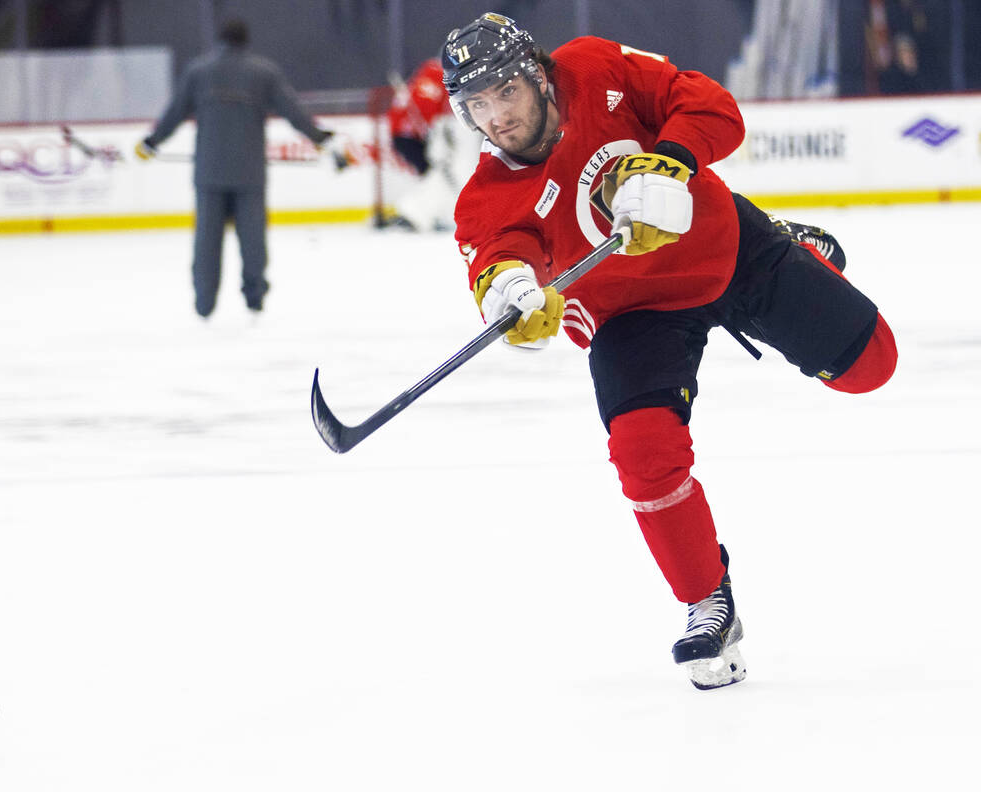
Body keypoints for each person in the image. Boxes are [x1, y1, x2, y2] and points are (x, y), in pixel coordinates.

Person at [441, 13, 897, 689]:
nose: (496, 117)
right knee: (642, 454)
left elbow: (712, 107)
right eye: (476, 105)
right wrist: (509, 292)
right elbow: (498, 254)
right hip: (631, 316)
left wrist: (673, 160)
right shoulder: (487, 194)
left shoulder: (596, 69)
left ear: (537, 76)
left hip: (728, 251)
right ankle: (707, 600)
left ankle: (792, 249)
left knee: (871, 368)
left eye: (504, 92)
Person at [136, 18, 332, 317]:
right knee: (253, 239)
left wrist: (152, 142)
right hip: (250, 172)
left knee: (206, 241)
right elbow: (292, 110)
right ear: (245, 40)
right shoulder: (264, 72)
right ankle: (254, 298)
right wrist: (317, 137)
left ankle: (204, 304)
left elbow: (174, 112)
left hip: (208, 172)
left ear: (221, 40)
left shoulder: (198, 70)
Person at [383, 59, 482, 232]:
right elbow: (435, 111)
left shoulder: (429, 71)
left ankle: (422, 213)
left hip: (403, 135)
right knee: (433, 175)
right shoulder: (441, 78)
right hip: (409, 136)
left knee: (433, 175)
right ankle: (414, 213)